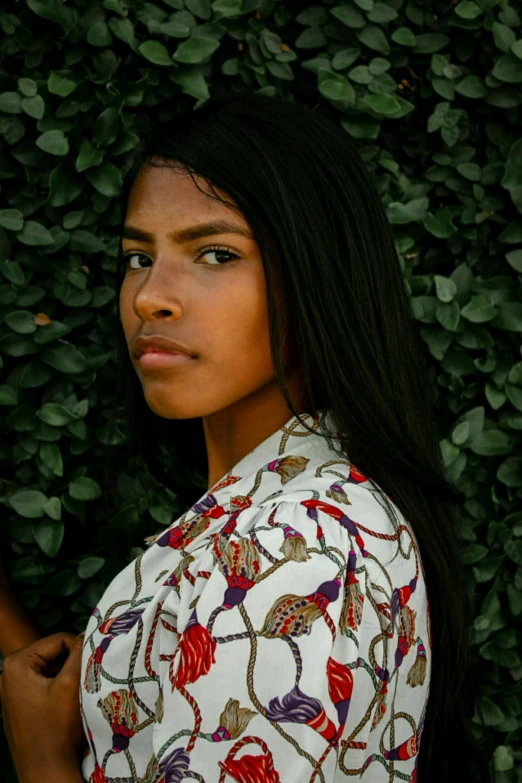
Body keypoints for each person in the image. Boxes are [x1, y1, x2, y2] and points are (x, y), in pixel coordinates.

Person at [0, 90, 490, 783]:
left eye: (216, 253)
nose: (149, 296)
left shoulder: (290, 551)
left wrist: (39, 758)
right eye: (138, 257)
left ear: (317, 274)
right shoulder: (285, 513)